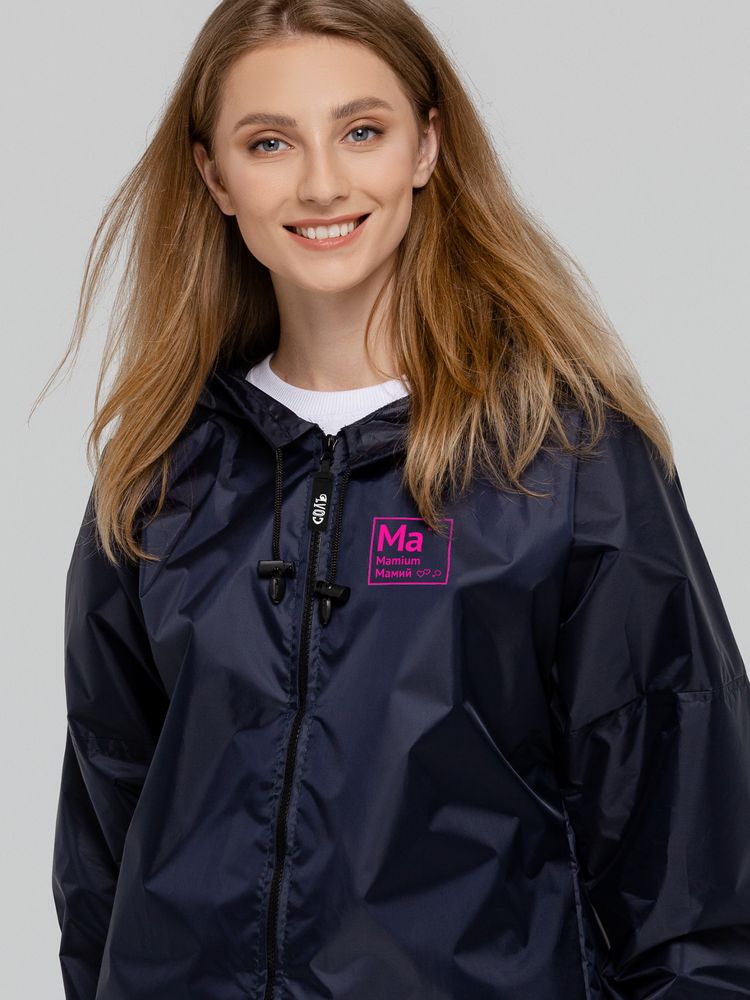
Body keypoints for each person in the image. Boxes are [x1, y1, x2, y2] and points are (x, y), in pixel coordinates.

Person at [43, 1, 750, 997]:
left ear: (427, 144)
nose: (322, 182)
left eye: (362, 131)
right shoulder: (160, 472)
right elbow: (103, 853)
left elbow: (690, 872)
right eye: (270, 141)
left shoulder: (566, 463)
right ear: (214, 175)